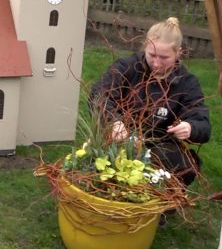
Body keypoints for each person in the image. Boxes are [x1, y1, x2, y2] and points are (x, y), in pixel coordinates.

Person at [90, 17, 210, 187]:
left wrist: (191, 127)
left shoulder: (187, 83)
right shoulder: (127, 68)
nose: (156, 63)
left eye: (164, 57)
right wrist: (113, 122)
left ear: (179, 53)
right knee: (109, 171)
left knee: (185, 167)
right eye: (152, 55)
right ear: (145, 47)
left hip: (159, 142)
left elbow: (203, 124)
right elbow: (99, 95)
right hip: (120, 138)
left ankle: (161, 205)